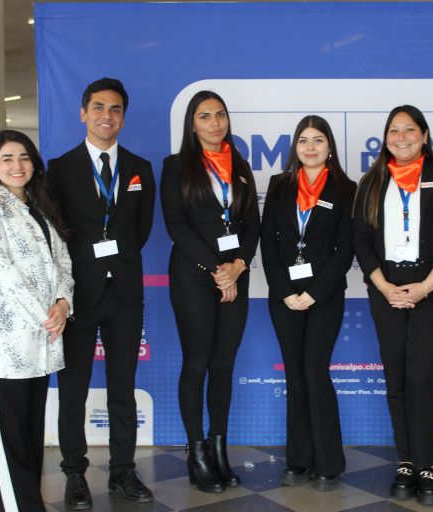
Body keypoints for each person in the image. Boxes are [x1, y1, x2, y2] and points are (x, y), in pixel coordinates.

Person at [47, 77, 156, 508]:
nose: (106, 116)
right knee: (73, 387)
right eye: (98, 108)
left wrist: (115, 260)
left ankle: (123, 472)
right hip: (76, 293)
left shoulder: (139, 168)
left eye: (114, 109)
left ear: (123, 117)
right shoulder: (60, 168)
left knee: (122, 387)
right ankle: (74, 474)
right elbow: (56, 231)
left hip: (125, 291)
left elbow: (140, 229)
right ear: (82, 113)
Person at [353, 105, 433, 505]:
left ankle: (426, 465)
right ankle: (405, 461)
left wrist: (425, 287)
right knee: (397, 379)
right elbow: (362, 243)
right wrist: (384, 286)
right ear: (385, 138)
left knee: (422, 379)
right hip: (387, 293)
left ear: (424, 134)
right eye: (394, 131)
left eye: (409, 130)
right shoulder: (372, 182)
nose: (401, 137)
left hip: (431, 292)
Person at [0, 130, 73, 511]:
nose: (17, 165)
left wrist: (62, 303)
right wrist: (45, 316)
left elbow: (62, 262)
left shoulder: (40, 209)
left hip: (40, 344)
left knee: (28, 436)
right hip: (2, 345)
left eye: (24, 157)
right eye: (7, 158)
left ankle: (26, 503)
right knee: (7, 439)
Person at [160, 90, 259, 493]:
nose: (215, 123)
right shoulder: (176, 166)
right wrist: (217, 270)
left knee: (223, 365)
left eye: (220, 115)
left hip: (234, 274)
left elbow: (251, 223)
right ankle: (196, 452)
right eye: (205, 116)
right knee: (197, 363)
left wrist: (236, 267)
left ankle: (219, 449)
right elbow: (176, 226)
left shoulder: (240, 165)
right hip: (193, 276)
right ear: (192, 124)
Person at [260, 115, 356, 491]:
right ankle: (298, 461)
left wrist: (313, 292)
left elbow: (344, 249)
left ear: (329, 146)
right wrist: (285, 291)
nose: (311, 147)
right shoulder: (280, 186)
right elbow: (268, 243)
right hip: (284, 297)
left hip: (325, 296)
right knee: (295, 378)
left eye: (318, 140)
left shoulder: (345, 188)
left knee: (315, 374)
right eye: (304, 140)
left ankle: (329, 463)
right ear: (295, 147)